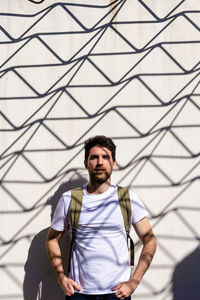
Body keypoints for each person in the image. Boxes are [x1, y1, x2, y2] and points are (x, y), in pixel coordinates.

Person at [46, 135, 156, 300]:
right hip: (79, 294)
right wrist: (61, 277)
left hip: (117, 294)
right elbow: (51, 239)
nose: (99, 162)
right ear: (86, 163)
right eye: (94, 157)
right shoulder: (69, 199)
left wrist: (134, 281)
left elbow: (150, 241)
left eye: (105, 157)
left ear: (113, 163)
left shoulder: (127, 198)